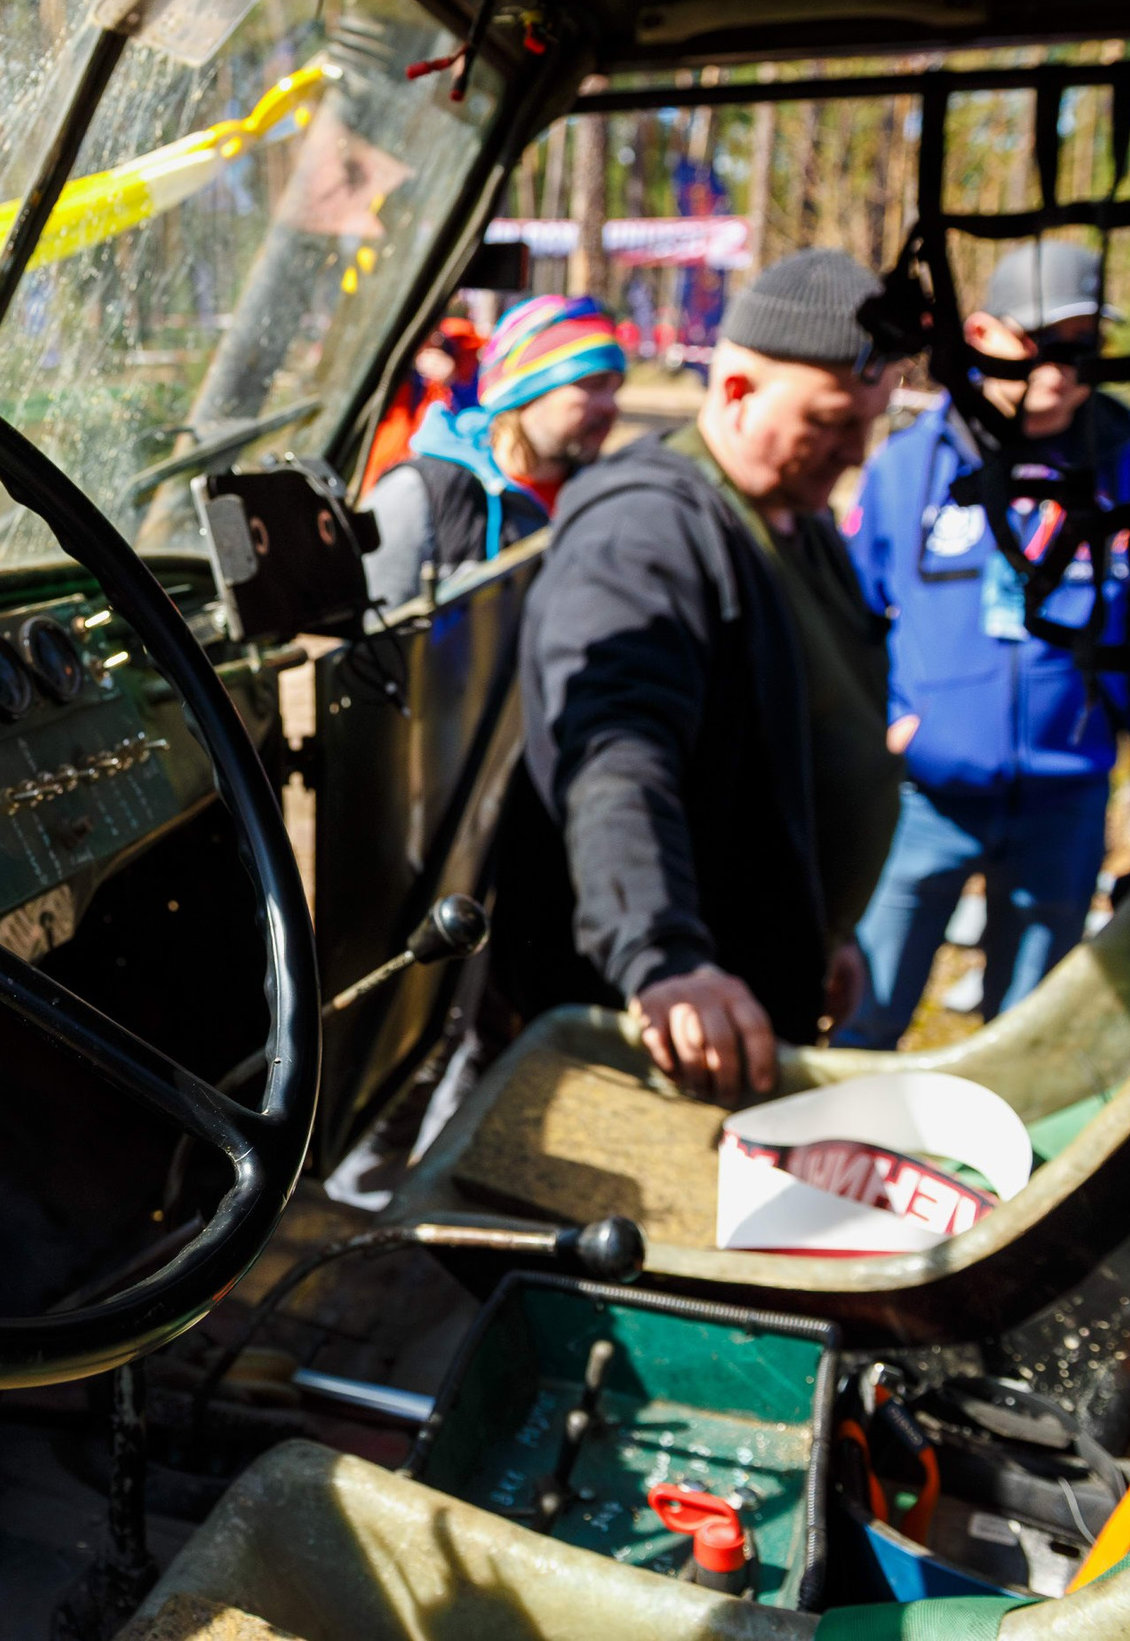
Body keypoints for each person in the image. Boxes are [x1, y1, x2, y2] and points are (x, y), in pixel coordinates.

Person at [494, 249, 900, 1102]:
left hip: (752, 995)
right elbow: (612, 744)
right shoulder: (643, 529)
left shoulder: (796, 519)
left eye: (871, 417)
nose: (856, 450)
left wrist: (826, 927)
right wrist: (661, 955)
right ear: (739, 389)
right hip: (657, 1032)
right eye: (830, 420)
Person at [832, 241, 1130, 1049]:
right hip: (923, 800)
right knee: (867, 1009)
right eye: (1038, 343)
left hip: (1065, 808)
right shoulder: (909, 467)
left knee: (1024, 1034)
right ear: (982, 333)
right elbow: (851, 623)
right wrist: (883, 727)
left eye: (1083, 347)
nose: (1060, 372)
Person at [361, 295, 624, 608]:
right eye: (590, 385)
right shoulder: (422, 495)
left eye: (614, 388)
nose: (611, 406)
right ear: (523, 392)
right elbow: (374, 649)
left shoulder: (606, 500)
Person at [357, 316, 485, 495]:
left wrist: (454, 381)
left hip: (452, 481)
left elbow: (483, 421)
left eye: (433, 332)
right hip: (396, 484)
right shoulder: (385, 379)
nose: (432, 341)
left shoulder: (466, 352)